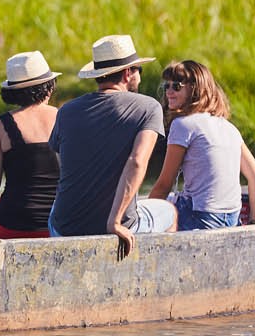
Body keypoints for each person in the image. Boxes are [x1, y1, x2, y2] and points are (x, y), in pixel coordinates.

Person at [45, 34, 177, 256]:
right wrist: (114, 222)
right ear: (127, 73)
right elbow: (136, 162)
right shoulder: (148, 107)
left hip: (62, 228)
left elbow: (62, 162)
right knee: (169, 211)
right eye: (138, 70)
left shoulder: (67, 111)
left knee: (55, 212)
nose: (140, 77)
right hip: (115, 224)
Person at [147, 59, 255, 230]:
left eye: (176, 86)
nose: (169, 92)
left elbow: (164, 185)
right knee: (173, 199)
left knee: (153, 208)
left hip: (200, 219)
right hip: (232, 219)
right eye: (166, 86)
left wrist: (145, 218)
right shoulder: (229, 127)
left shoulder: (182, 125)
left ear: (195, 89)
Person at [0, 50, 62, 240]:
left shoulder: (0, 125)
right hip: (60, 222)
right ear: (50, 87)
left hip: (13, 225)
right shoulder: (65, 117)